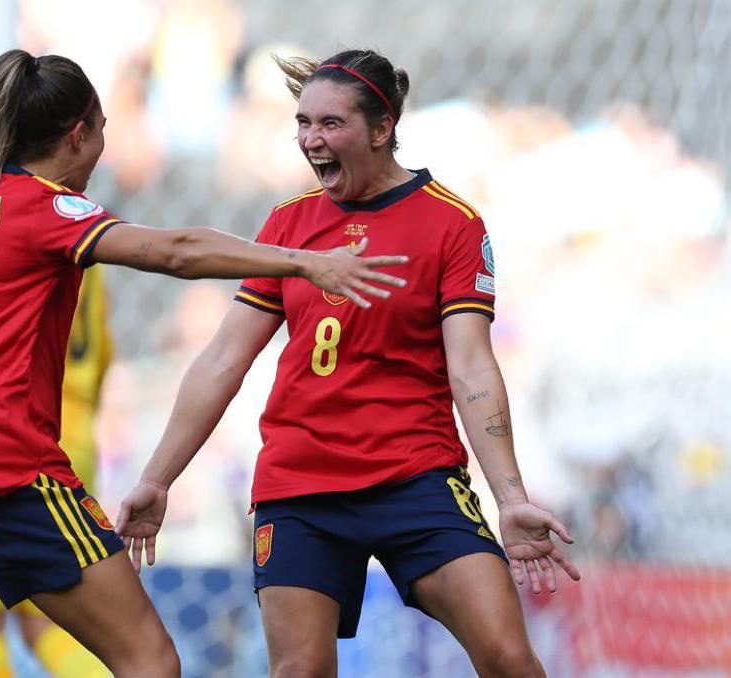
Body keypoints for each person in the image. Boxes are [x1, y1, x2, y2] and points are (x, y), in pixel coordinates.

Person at [0, 49, 407, 678]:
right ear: (79, 135)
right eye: (102, 131)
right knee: (150, 660)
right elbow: (174, 251)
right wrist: (303, 261)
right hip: (4, 469)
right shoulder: (46, 208)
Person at [116, 49, 582, 678]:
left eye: (331, 123)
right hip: (301, 486)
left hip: (415, 478)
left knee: (507, 657)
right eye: (303, 123)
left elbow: (471, 366)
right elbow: (224, 357)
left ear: (382, 128)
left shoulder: (452, 223)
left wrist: (510, 497)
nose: (311, 139)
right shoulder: (289, 222)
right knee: (300, 671)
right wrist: (157, 478)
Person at [0, 83, 114, 678]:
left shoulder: (0, 221)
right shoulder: (76, 220)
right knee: (39, 622)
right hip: (73, 432)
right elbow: (103, 352)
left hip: (17, 442)